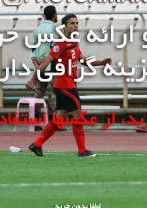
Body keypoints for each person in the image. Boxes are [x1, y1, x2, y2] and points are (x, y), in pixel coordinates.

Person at [26, 14, 112, 157]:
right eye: (72, 23)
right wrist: (33, 80)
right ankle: (82, 150)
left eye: (77, 23)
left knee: (58, 120)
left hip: (68, 85)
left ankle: (37, 144)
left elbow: (84, 61)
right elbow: (45, 63)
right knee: (78, 117)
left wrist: (101, 62)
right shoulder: (60, 44)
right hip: (65, 86)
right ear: (64, 26)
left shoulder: (74, 43)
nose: (76, 25)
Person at [29, 5, 58, 130]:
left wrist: (37, 64)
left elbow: (33, 49)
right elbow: (56, 49)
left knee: (39, 93)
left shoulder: (37, 30)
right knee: (53, 94)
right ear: (54, 15)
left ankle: (34, 121)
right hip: (51, 65)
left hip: (40, 66)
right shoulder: (55, 30)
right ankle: (54, 123)